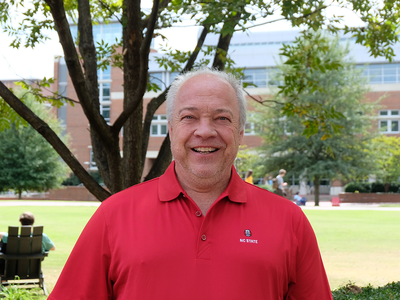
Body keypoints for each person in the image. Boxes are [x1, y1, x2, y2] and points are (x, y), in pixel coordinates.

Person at [48, 68, 332, 299]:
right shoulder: (113, 215)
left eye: (222, 118)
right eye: (189, 117)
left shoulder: (289, 220)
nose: (205, 131)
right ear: (171, 129)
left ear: (241, 132)